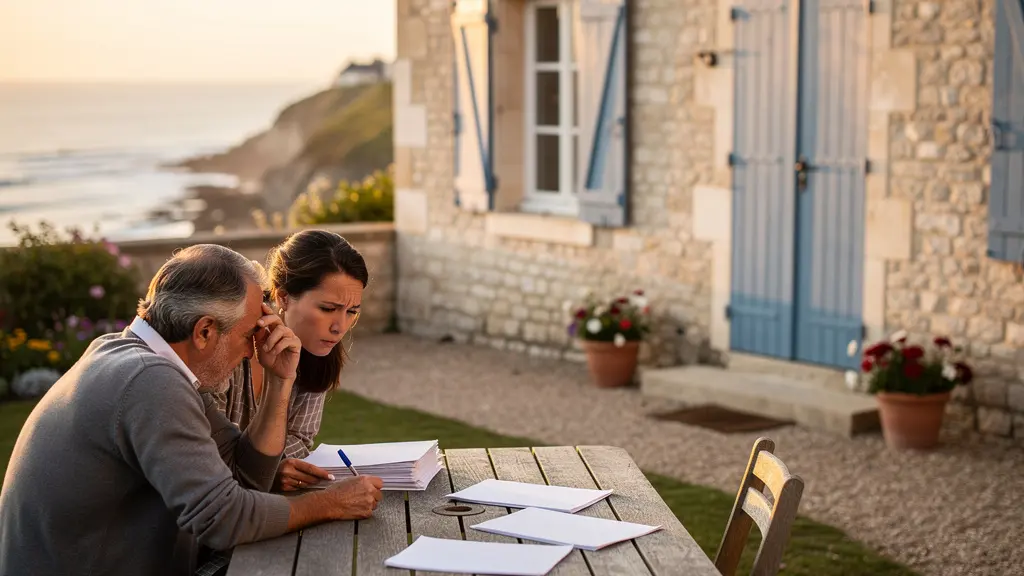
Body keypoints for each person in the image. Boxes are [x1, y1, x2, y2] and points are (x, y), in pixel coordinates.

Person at [0, 244, 383, 576]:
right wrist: (330, 503)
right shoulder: (150, 381)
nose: (254, 349)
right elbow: (223, 519)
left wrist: (280, 381)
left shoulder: (134, 358)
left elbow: (247, 478)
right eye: (250, 334)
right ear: (204, 332)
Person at [211, 229, 368, 492]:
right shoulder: (229, 353)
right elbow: (204, 455)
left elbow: (300, 438)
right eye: (328, 309)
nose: (340, 327)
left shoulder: (316, 354)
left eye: (351, 312)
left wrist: (280, 466)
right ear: (283, 297)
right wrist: (267, 471)